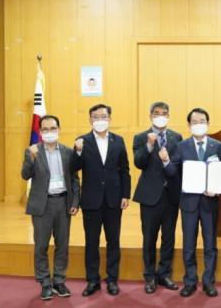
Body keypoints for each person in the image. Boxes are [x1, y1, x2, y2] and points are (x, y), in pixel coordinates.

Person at [73, 104, 131, 297]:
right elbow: (74, 167)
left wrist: (125, 195)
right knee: (91, 242)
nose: (100, 120)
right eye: (95, 117)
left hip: (114, 200)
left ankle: (112, 279)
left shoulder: (118, 140)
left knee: (113, 241)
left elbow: (125, 170)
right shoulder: (82, 141)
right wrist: (77, 152)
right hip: (91, 200)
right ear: (90, 120)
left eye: (103, 116)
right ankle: (93, 280)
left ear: (110, 119)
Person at [166, 108, 221, 298]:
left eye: (202, 121)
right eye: (195, 122)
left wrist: (217, 188)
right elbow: (172, 171)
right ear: (189, 125)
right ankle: (190, 281)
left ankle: (209, 282)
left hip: (210, 202)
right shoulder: (181, 146)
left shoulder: (218, 146)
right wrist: (166, 161)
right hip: (189, 203)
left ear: (208, 123)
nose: (199, 124)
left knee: (210, 245)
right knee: (189, 244)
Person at [21, 115, 80, 300]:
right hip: (42, 204)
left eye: (52, 128)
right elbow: (25, 175)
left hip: (63, 203)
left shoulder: (68, 152)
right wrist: (31, 158)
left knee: (62, 245)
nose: (49, 132)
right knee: (41, 246)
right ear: (40, 132)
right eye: (45, 129)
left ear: (59, 129)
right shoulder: (32, 151)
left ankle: (59, 281)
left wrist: (75, 202)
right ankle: (45, 282)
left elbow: (74, 179)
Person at [132, 101, 183, 294]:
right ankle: (150, 276)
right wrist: (149, 145)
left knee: (168, 238)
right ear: (150, 115)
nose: (160, 116)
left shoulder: (176, 137)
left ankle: (164, 274)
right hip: (149, 196)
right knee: (149, 238)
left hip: (171, 196)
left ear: (168, 116)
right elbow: (139, 163)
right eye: (157, 113)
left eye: (164, 113)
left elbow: (178, 166)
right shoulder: (140, 137)